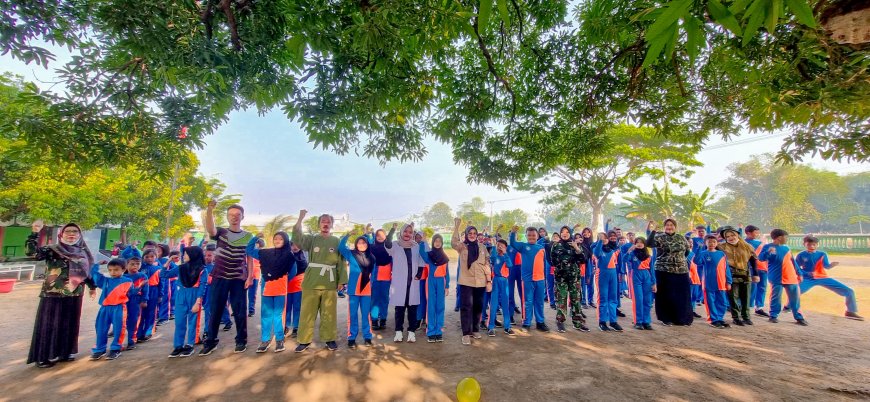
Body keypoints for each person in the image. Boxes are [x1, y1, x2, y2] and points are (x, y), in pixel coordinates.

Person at [20, 222, 96, 368]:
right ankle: (43, 357)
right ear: (62, 234)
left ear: (80, 234)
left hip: (74, 293)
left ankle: (65, 352)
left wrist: (92, 286)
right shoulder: (53, 249)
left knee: (70, 324)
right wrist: (34, 232)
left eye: (75, 231)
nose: (71, 234)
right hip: (53, 293)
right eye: (68, 231)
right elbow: (32, 253)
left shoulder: (82, 252)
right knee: (48, 325)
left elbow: (86, 272)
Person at [200, 200, 255, 356]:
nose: (234, 217)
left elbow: (249, 257)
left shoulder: (248, 236)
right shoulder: (221, 232)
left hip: (239, 278)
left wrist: (250, 276)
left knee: (240, 311)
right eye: (231, 215)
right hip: (219, 277)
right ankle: (210, 342)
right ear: (227, 217)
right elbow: (210, 229)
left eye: (238, 215)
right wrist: (210, 210)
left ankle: (241, 341)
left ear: (242, 217)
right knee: (215, 309)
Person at [292, 210, 347, 352]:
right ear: (318, 224)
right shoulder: (311, 239)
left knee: (329, 312)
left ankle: (329, 338)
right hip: (311, 281)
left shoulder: (336, 241)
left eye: (328, 221)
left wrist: (342, 280)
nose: (326, 224)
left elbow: (341, 261)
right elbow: (297, 239)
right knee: (307, 312)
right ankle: (304, 340)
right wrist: (300, 219)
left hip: (330, 282)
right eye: (323, 221)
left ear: (332, 225)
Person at [246, 232, 297, 353]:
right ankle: (265, 340)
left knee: (278, 315)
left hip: (280, 289)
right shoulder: (265, 253)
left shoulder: (289, 256)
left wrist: (281, 279)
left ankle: (279, 339)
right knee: (266, 315)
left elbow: (293, 272)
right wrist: (256, 238)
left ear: (285, 240)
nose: (278, 240)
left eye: (281, 238)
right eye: (276, 238)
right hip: (267, 289)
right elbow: (249, 250)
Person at [796, 236, 863, 321]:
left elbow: (826, 266)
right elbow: (796, 268)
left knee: (849, 291)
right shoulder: (801, 255)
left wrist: (831, 265)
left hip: (822, 277)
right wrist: (807, 273)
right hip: (807, 278)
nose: (812, 247)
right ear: (804, 244)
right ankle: (788, 307)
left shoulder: (822, 254)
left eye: (814, 245)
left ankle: (850, 311)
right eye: (809, 245)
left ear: (817, 245)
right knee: (795, 291)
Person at [646, 219, 694, 326]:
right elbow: (648, 244)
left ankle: (682, 318)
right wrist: (653, 231)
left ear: (675, 226)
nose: (669, 227)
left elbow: (687, 251)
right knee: (665, 294)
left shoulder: (681, 237)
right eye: (667, 225)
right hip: (663, 270)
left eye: (671, 225)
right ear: (664, 227)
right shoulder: (659, 237)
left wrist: (679, 261)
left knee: (682, 295)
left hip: (681, 270)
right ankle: (666, 318)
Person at [453, 219, 492, 345]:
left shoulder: (482, 247)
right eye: (470, 233)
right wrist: (456, 226)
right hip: (466, 282)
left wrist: (489, 281)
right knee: (466, 307)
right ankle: (465, 333)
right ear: (466, 234)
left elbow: (487, 265)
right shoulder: (462, 246)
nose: (472, 235)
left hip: (480, 282)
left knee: (478, 307)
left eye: (474, 233)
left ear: (477, 235)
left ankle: (475, 329)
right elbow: (453, 242)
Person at [164, 246, 208, 358]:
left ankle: (189, 345)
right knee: (179, 322)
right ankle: (178, 346)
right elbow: (163, 274)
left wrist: (198, 303)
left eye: (186, 254)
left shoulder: (202, 269)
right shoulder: (181, 268)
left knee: (193, 322)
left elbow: (202, 287)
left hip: (194, 297)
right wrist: (169, 261)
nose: (183, 256)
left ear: (193, 255)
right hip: (180, 296)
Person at [758, 229, 808, 326]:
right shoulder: (768, 247)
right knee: (776, 297)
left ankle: (799, 317)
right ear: (779, 237)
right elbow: (761, 258)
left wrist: (799, 273)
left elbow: (793, 262)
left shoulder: (786, 248)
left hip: (790, 276)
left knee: (795, 297)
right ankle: (773, 315)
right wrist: (768, 252)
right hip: (776, 276)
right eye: (786, 237)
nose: (787, 239)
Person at [386, 223, 425, 343]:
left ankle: (411, 332)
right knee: (400, 309)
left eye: (410, 232)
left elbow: (421, 261)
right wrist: (392, 229)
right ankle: (398, 332)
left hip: (413, 282)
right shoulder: (395, 245)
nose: (407, 234)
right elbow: (386, 243)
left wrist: (419, 274)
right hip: (400, 283)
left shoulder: (416, 246)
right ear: (401, 233)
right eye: (405, 231)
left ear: (412, 234)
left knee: (412, 308)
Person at [338, 231, 376, 349]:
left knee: (366, 315)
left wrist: (370, 286)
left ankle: (367, 337)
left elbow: (373, 274)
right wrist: (347, 235)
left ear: (367, 244)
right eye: (359, 243)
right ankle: (351, 338)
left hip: (366, 291)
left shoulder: (372, 257)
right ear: (356, 244)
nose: (361, 244)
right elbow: (340, 247)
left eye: (363, 242)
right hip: (354, 290)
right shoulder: (351, 254)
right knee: (353, 315)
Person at [90, 259, 132, 361]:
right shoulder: (105, 280)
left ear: (123, 269)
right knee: (100, 328)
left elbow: (131, 294)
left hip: (119, 308)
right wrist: (97, 264)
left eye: (116, 270)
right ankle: (100, 349)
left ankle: (116, 348)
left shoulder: (128, 281)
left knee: (119, 329)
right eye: (110, 270)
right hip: (104, 308)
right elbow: (94, 274)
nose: (113, 272)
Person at [509, 226, 550, 333]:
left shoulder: (541, 248)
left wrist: (544, 278)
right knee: (528, 301)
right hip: (527, 280)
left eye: (534, 235)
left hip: (540, 280)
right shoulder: (523, 246)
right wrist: (513, 232)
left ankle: (540, 322)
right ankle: (526, 323)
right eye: (529, 235)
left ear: (537, 236)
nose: (531, 237)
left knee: (539, 302)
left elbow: (544, 264)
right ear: (526, 236)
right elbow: (513, 243)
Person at [549, 226, 589, 333]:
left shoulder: (575, 244)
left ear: (570, 233)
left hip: (574, 277)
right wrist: (562, 265)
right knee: (561, 299)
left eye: (567, 232)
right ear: (560, 233)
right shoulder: (556, 245)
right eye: (562, 232)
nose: (565, 234)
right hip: (561, 278)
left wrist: (576, 248)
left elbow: (583, 260)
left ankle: (578, 323)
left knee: (576, 300)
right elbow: (552, 261)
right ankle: (560, 322)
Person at [717, 226, 760, 326]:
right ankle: (736, 317)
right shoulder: (720, 247)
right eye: (727, 236)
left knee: (746, 297)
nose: (731, 238)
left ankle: (746, 317)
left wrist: (756, 274)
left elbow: (753, 260)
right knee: (733, 297)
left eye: (732, 235)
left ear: (737, 235)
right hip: (730, 274)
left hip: (745, 274)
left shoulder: (747, 246)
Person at [694, 235, 732, 329]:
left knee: (722, 302)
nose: (711, 244)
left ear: (717, 243)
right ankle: (713, 320)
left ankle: (719, 318)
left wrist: (729, 281)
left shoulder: (721, 254)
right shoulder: (703, 253)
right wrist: (699, 248)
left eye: (713, 242)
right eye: (709, 242)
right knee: (711, 302)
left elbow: (726, 268)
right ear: (705, 243)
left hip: (721, 283)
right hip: (709, 283)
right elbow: (696, 261)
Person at [419, 234, 451, 342]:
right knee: (431, 306)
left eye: (439, 241)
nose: (437, 243)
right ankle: (431, 331)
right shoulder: (429, 256)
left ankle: (439, 331)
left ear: (441, 243)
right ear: (433, 243)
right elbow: (421, 252)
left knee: (440, 306)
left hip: (441, 282)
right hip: (431, 282)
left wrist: (447, 286)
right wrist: (423, 242)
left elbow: (447, 273)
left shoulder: (445, 257)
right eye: (435, 241)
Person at [594, 231, 623, 332]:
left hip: (613, 275)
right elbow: (596, 254)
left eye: (605, 237)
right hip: (602, 275)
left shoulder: (612, 250)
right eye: (601, 238)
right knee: (603, 299)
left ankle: (613, 322)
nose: (604, 239)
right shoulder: (597, 249)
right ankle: (602, 322)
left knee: (613, 299)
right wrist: (600, 242)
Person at [625, 237, 657, 330]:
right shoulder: (632, 254)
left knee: (647, 301)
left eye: (641, 242)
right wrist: (629, 251)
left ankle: (646, 321)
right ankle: (638, 322)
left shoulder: (649, 256)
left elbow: (652, 270)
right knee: (638, 299)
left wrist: (654, 283)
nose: (639, 244)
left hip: (647, 277)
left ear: (644, 244)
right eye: (637, 242)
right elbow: (624, 260)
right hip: (635, 276)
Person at [369, 225, 396, 331]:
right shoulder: (372, 247)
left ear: (385, 236)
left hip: (386, 277)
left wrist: (392, 230)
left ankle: (383, 319)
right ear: (375, 237)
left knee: (384, 299)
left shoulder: (389, 248)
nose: (380, 237)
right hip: (375, 276)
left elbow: (394, 262)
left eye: (382, 235)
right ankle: (374, 320)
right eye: (378, 235)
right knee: (375, 299)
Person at [487, 239, 515, 337]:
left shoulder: (506, 257)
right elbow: (492, 259)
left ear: (505, 248)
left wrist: (505, 253)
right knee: (494, 304)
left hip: (504, 281)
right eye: (498, 245)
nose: (500, 247)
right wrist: (494, 246)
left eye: (502, 246)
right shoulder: (495, 256)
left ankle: (507, 327)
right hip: (496, 281)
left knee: (505, 304)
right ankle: (491, 327)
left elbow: (509, 265)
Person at [744, 225, 770, 317]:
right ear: (748, 233)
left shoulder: (760, 243)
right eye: (755, 232)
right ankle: (748, 306)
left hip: (762, 268)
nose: (757, 234)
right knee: (751, 288)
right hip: (751, 268)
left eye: (758, 232)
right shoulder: (744, 243)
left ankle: (759, 307)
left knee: (762, 288)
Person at [123, 256, 148, 349]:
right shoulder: (123, 277)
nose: (135, 266)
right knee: (123, 320)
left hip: (136, 301)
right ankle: (121, 341)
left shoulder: (142, 276)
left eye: (138, 264)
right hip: (124, 301)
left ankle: (131, 340)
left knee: (134, 320)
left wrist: (144, 300)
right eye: (132, 264)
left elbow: (146, 289)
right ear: (126, 265)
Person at [137, 249, 162, 342]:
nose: (149, 258)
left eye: (152, 256)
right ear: (143, 257)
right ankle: (139, 333)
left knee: (151, 313)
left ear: (156, 257)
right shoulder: (140, 267)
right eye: (147, 257)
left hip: (153, 291)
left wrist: (160, 295)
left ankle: (148, 331)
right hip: (142, 291)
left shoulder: (158, 269)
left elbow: (161, 283)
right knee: (141, 313)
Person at [284, 242, 308, 338]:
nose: (295, 247)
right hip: (287, 285)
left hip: (299, 285)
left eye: (297, 245)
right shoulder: (286, 255)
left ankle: (296, 327)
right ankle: (286, 326)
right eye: (293, 245)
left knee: (298, 307)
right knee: (287, 307)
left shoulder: (304, 255)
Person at [247, 247, 262, 317]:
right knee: (241, 293)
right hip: (244, 274)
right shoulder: (246, 249)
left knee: (252, 294)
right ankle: (238, 310)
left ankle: (251, 310)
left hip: (255, 275)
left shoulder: (258, 252)